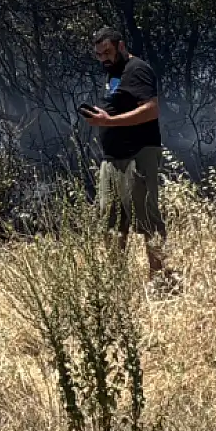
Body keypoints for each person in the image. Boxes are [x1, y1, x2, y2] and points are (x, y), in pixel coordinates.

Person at [80, 27, 172, 283]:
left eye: (107, 52)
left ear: (121, 46)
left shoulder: (137, 69)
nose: (104, 59)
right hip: (112, 159)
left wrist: (109, 122)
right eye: (99, 55)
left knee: (147, 220)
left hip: (138, 154)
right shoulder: (113, 72)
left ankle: (160, 280)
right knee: (109, 222)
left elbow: (151, 110)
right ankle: (116, 283)